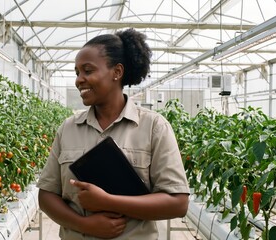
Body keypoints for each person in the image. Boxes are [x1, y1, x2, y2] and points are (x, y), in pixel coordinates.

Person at [37, 28, 190, 240]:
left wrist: (107, 201)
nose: (79, 79)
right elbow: (46, 195)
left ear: (117, 72)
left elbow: (177, 203)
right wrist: (85, 225)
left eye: (88, 71)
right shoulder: (68, 128)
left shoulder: (154, 127)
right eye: (77, 72)